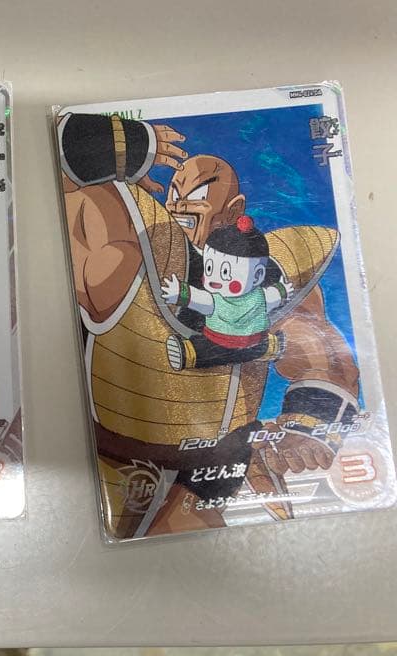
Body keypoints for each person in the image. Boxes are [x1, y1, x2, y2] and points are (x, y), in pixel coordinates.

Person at [59, 112, 359, 538]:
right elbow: (73, 193)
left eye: (197, 195)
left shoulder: (270, 271)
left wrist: (306, 426)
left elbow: (320, 350)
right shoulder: (130, 250)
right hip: (114, 455)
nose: (180, 204)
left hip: (221, 461)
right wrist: (120, 145)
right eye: (175, 193)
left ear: (232, 210)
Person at [162, 215, 293, 370]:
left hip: (221, 345)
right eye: (209, 269)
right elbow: (275, 295)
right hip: (252, 345)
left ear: (257, 276)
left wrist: (179, 293)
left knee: (206, 350)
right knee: (257, 349)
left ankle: (189, 353)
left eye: (225, 272)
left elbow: (197, 298)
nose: (214, 279)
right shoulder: (261, 297)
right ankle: (272, 346)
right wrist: (283, 291)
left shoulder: (217, 301)